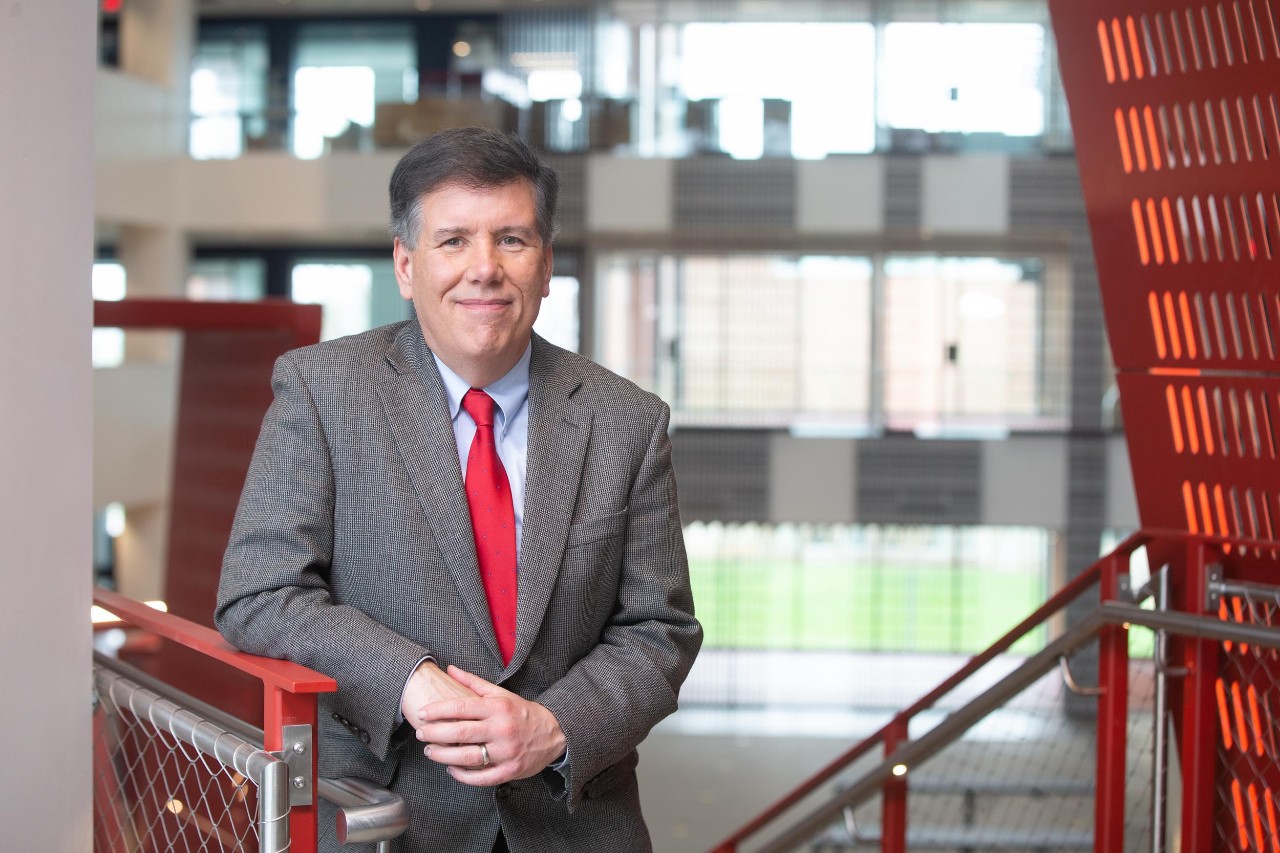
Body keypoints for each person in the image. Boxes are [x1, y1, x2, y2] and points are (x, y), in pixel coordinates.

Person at [215, 126, 702, 852]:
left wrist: (556, 725)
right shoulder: (321, 391)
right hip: (385, 819)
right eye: (453, 241)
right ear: (406, 265)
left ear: (545, 266)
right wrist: (411, 680)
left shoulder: (627, 420)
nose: (485, 268)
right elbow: (259, 592)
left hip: (575, 826)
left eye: (512, 239)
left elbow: (660, 629)